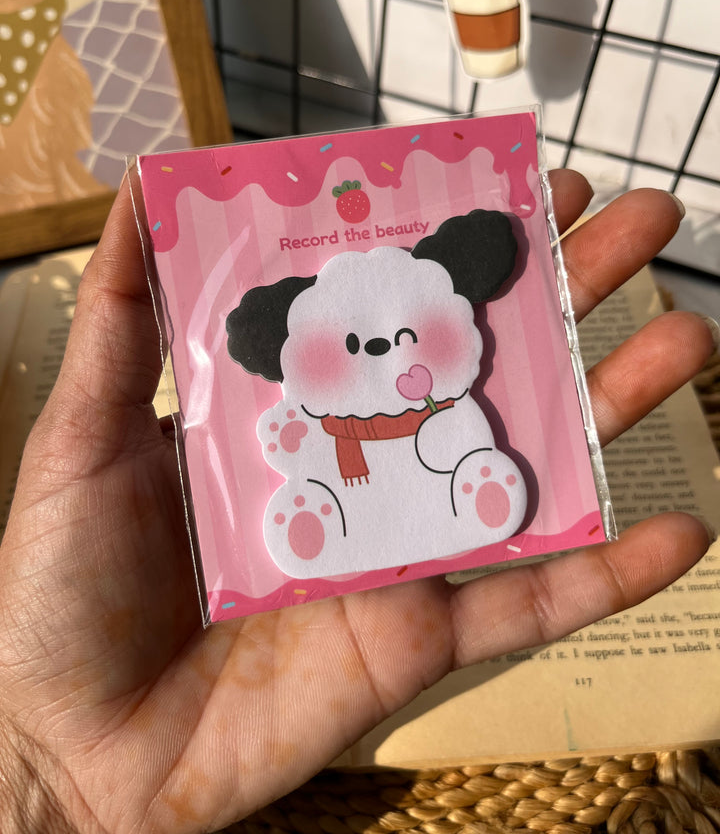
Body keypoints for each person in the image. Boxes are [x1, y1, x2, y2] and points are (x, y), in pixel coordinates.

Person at [0, 169, 716, 834]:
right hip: (334, 495)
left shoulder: (452, 404)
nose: (385, 351)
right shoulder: (321, 417)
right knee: (321, 485)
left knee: (462, 453)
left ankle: (474, 490)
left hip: (442, 455)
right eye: (353, 341)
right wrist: (38, 764)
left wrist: (48, 781)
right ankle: (325, 521)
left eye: (406, 336)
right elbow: (296, 441)